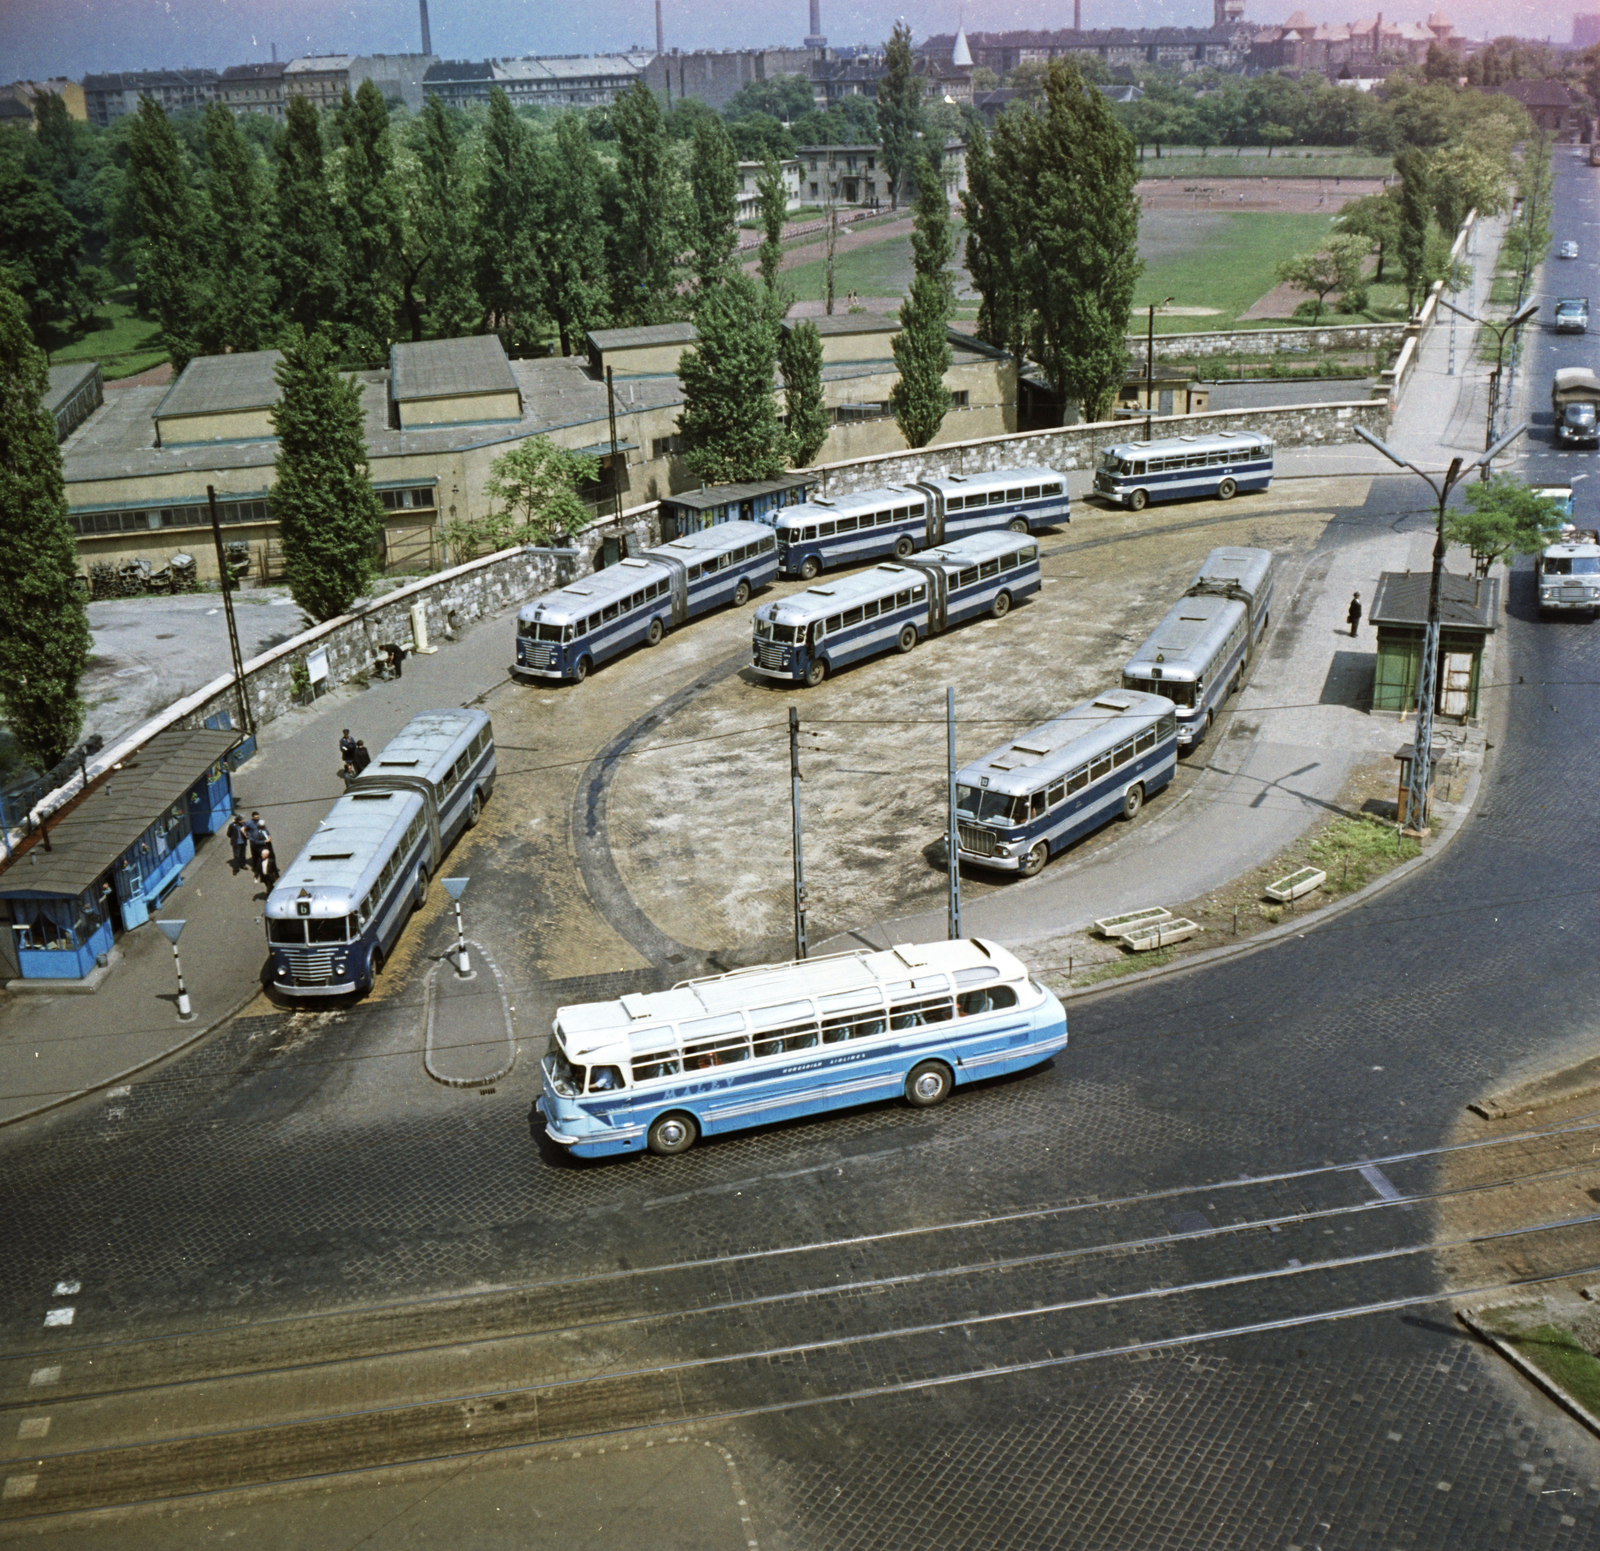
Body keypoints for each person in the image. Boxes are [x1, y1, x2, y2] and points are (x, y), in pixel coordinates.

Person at [245, 811, 269, 880]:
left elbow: (265, 829)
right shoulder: (249, 823)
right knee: (254, 855)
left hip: (260, 840)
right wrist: (247, 835)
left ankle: (262, 867)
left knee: (261, 853)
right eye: (255, 817)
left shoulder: (260, 821)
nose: (257, 818)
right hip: (253, 841)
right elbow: (243, 829)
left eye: (258, 817)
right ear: (252, 817)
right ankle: (255, 868)